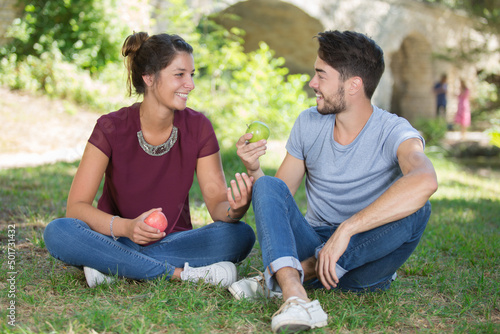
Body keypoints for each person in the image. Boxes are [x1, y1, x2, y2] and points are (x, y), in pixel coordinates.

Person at [229, 30, 438, 333]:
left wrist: (348, 229)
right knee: (267, 184)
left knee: (420, 208)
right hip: (312, 239)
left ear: (354, 85)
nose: (312, 83)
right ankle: (294, 293)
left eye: (321, 76)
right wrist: (254, 168)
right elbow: (279, 197)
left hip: (362, 265)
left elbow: (425, 180)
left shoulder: (394, 130)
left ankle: (299, 271)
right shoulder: (308, 122)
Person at [43, 32, 256, 288]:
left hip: (175, 242)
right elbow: (76, 207)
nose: (190, 84)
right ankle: (181, 274)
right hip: (116, 237)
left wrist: (236, 209)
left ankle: (112, 268)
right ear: (149, 77)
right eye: (180, 75)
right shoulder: (111, 127)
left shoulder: (199, 127)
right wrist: (127, 228)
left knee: (240, 235)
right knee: (58, 231)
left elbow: (218, 206)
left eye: (192, 74)